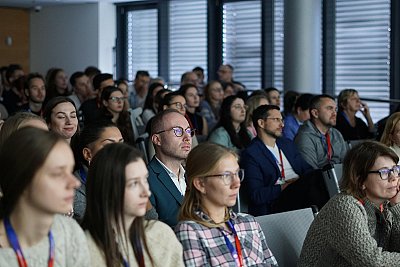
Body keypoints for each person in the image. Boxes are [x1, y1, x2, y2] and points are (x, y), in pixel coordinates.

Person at [175, 142, 278, 266]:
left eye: (237, 174)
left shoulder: (249, 222)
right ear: (200, 184)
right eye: (226, 176)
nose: (237, 183)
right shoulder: (190, 230)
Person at [299, 141, 400, 266]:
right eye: (384, 172)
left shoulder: (385, 205)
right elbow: (372, 262)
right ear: (359, 179)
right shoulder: (344, 206)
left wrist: (396, 206)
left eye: (395, 169)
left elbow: (396, 248)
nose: (394, 177)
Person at [82, 143, 184, 266]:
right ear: (107, 188)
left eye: (145, 180)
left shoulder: (161, 234)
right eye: (134, 183)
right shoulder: (84, 249)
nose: (146, 192)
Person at [0, 127, 89, 266]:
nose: (75, 182)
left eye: (70, 170)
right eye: (58, 174)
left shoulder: (69, 231)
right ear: (23, 180)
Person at [241, 105, 327, 216]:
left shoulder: (287, 144)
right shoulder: (251, 154)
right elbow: (256, 195)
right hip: (276, 202)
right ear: (261, 123)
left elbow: (308, 170)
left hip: (301, 191)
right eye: (276, 120)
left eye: (282, 120)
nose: (282, 125)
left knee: (322, 175)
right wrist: (284, 187)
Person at [71, 120, 124, 223]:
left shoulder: (126, 176)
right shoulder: (75, 190)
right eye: (109, 145)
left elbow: (151, 218)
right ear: (88, 154)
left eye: (121, 143)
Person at [148, 109, 194, 227]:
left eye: (189, 131)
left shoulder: (194, 174)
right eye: (177, 131)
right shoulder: (145, 179)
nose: (187, 137)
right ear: (157, 139)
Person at [295, 94, 348, 169]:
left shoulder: (336, 133)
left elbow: (346, 163)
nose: (335, 113)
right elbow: (311, 173)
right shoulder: (304, 137)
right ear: (315, 113)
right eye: (330, 108)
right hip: (319, 179)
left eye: (335, 109)